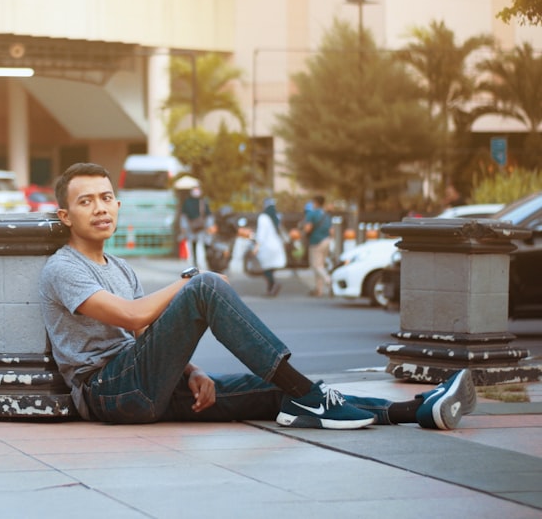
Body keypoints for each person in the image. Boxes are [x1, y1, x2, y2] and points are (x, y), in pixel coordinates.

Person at [39, 162, 475, 430]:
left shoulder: (119, 268)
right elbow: (132, 319)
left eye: (107, 198)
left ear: (118, 205)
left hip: (145, 386)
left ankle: (413, 410)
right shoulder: (63, 267)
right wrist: (193, 279)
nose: (100, 207)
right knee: (206, 286)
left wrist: (190, 371)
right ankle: (311, 396)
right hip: (108, 393)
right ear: (65, 214)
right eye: (86, 201)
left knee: (272, 392)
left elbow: (146, 332)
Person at [253, 197, 287, 297]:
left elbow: (261, 234)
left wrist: (256, 247)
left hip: (266, 248)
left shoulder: (263, 217)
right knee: (270, 269)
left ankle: (272, 285)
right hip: (277, 246)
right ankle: (270, 289)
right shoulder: (277, 216)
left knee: (266, 269)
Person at [302, 194, 332, 296]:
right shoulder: (326, 214)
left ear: (315, 202)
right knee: (321, 265)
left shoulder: (312, 214)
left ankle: (329, 280)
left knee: (316, 266)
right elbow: (331, 230)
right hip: (327, 240)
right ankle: (319, 290)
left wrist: (304, 232)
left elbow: (308, 228)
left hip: (316, 241)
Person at [179, 186, 211, 269]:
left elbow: (208, 215)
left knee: (205, 244)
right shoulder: (188, 202)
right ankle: (195, 263)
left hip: (202, 228)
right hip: (191, 228)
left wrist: (209, 226)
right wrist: (184, 228)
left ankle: (205, 262)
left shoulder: (203, 201)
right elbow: (184, 216)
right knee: (193, 245)